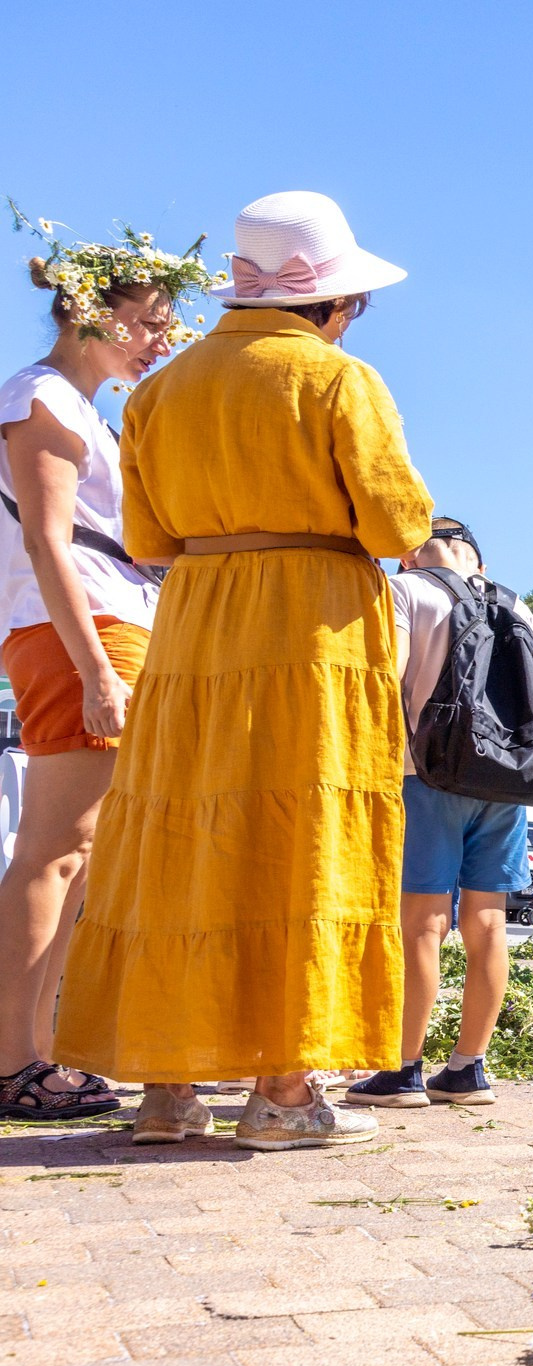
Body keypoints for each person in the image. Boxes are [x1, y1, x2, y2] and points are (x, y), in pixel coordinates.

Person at [56, 191, 432, 1148]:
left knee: (184, 837)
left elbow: (146, 536)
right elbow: (399, 526)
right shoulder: (338, 381)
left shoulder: (158, 391)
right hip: (309, 630)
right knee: (300, 835)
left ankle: (167, 1088)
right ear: (334, 305)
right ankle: (284, 1090)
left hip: (194, 625)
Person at [0, 232, 201, 1126]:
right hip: (81, 630)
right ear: (94, 313)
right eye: (151, 323)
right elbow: (46, 540)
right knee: (59, 848)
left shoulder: (79, 407)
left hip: (106, 628)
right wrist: (93, 668)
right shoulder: (42, 396)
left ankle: (31, 1052)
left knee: (75, 855)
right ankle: (13, 1060)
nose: (162, 339)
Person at [346, 519, 533, 1107]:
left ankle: (402, 1069)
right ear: (478, 562)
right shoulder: (516, 605)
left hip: (427, 777)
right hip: (505, 783)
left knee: (421, 923)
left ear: (411, 555)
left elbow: (382, 680)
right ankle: (469, 1067)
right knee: (488, 922)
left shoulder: (407, 590)